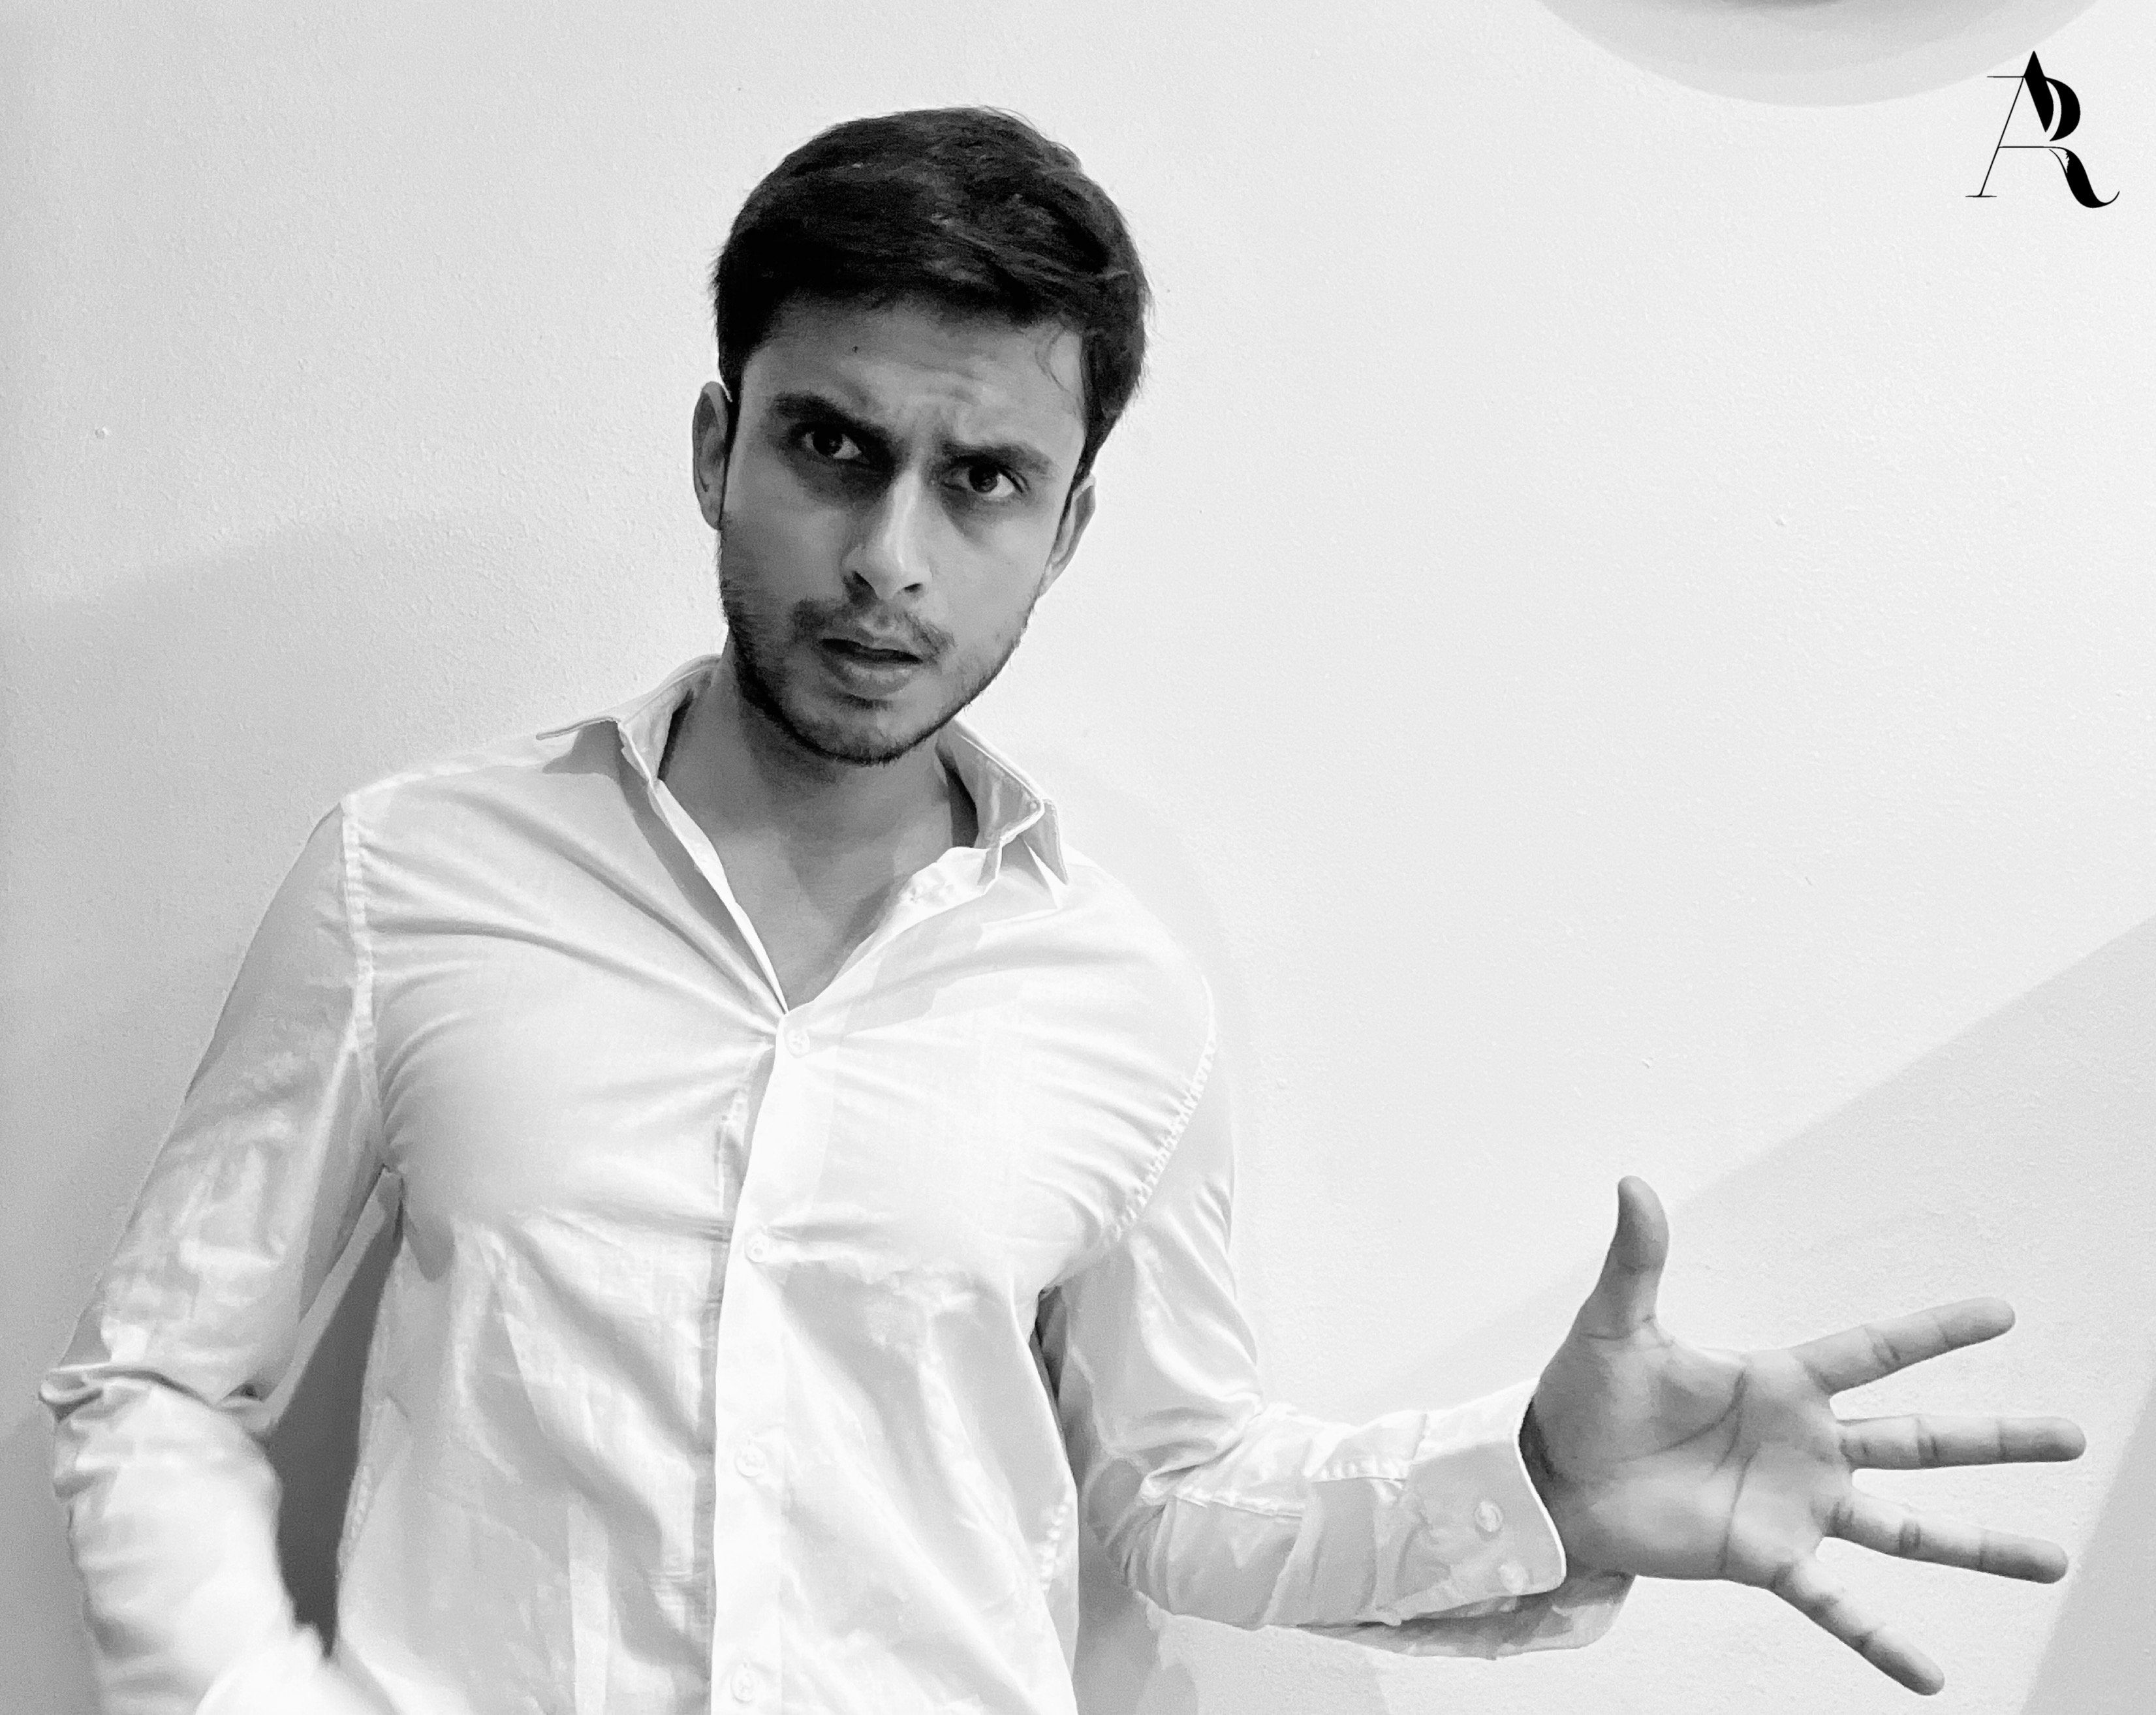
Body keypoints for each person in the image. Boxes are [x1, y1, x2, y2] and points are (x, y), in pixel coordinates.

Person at [42, 106, 2084, 1715]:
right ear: (718, 444)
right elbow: (155, 1380)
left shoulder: (1112, 985)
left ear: (1069, 522)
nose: (890, 557)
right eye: (831, 446)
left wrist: (1537, 1484)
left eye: (982, 481)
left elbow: (1179, 1492)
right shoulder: (413, 875)